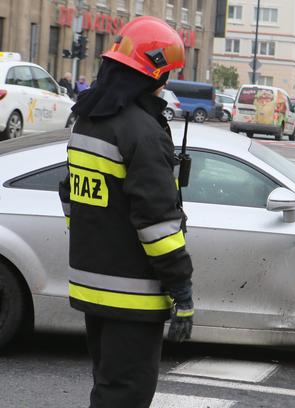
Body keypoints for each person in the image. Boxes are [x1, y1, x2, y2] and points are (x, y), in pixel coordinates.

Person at [58, 16, 194, 408]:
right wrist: (181, 289)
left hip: (91, 286)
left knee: (108, 389)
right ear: (153, 74)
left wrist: (98, 237)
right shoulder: (143, 131)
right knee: (126, 396)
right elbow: (158, 225)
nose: (166, 83)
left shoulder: (88, 121)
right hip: (133, 296)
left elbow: (72, 196)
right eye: (166, 73)